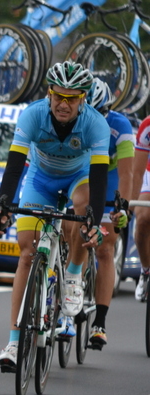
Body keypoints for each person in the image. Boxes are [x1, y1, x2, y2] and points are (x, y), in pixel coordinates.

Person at [0, 61, 109, 369]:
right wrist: (3, 206)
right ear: (49, 93)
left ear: (83, 99)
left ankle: (71, 275)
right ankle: (14, 343)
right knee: (27, 252)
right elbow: (14, 166)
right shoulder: (33, 115)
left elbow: (98, 178)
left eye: (71, 98)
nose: (63, 103)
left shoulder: (95, 124)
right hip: (40, 181)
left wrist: (93, 220)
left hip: (77, 178)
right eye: (58, 96)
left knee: (83, 208)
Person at [54, 79, 133, 349]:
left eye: (102, 113)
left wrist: (122, 207)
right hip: (79, 175)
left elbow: (127, 172)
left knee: (104, 249)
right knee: (71, 231)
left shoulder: (120, 127)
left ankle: (99, 322)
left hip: (107, 180)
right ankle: (64, 289)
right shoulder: (74, 120)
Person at [131, 115, 150, 301]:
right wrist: (129, 205)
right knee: (142, 216)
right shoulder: (148, 125)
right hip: (149, 173)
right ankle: (146, 270)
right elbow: (137, 172)